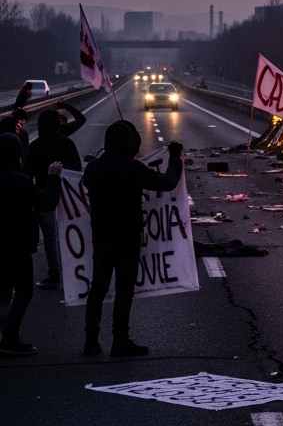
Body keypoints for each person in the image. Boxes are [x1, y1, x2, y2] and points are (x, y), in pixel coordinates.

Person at [82, 121, 183, 357]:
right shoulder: (133, 169)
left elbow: (88, 183)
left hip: (102, 236)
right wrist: (175, 158)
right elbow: (167, 183)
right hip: (127, 237)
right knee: (124, 288)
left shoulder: (93, 169)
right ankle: (120, 340)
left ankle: (91, 340)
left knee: (98, 288)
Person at [0, 133, 62, 356]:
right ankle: (10, 338)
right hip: (17, 245)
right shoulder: (20, 181)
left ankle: (3, 334)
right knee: (23, 291)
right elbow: (47, 201)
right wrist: (53, 177)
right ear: (18, 155)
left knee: (3, 291)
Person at [23, 104, 86, 290]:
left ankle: (54, 273)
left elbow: (26, 175)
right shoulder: (66, 142)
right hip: (68, 197)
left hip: (44, 196)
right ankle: (75, 270)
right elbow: (77, 171)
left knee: (50, 235)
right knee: (71, 231)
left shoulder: (35, 146)